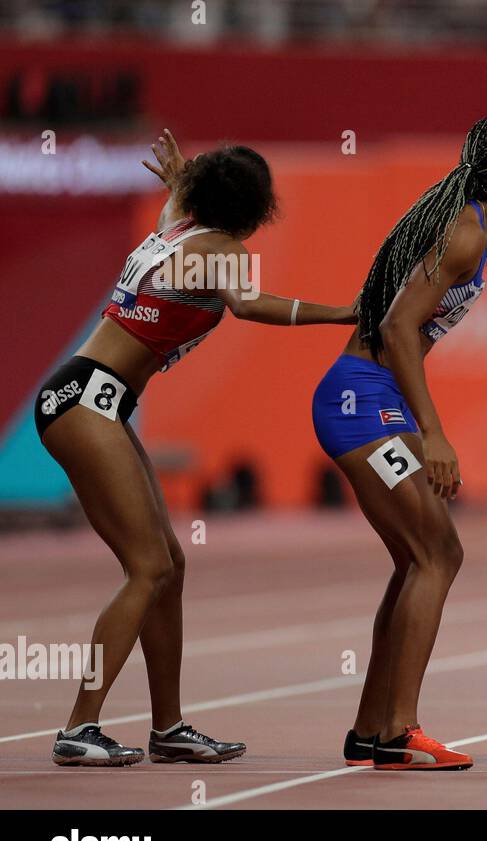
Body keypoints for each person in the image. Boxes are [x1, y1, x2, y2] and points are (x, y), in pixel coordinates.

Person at [36, 130, 356, 766]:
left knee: (169, 566)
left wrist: (183, 181)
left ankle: (168, 728)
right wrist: (343, 313)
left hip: (94, 399)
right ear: (258, 211)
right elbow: (251, 303)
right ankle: (79, 727)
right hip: (85, 401)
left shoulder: (176, 229)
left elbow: (178, 204)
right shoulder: (219, 248)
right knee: (148, 568)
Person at [312, 114, 487, 771]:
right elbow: (395, 329)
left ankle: (371, 727)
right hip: (362, 402)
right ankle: (397, 730)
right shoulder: (466, 231)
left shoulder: (455, 208)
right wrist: (434, 433)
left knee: (420, 556)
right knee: (438, 553)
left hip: (368, 398)